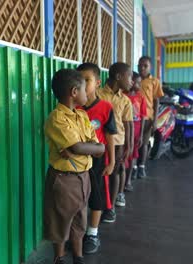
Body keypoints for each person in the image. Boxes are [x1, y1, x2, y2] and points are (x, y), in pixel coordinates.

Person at [44, 69, 105, 264]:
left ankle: (78, 258)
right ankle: (59, 258)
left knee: (80, 220)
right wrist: (82, 148)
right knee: (61, 222)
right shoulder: (57, 118)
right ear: (73, 92)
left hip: (83, 176)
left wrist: (79, 149)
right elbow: (81, 145)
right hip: (64, 179)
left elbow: (99, 147)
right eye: (84, 90)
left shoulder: (82, 116)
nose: (87, 94)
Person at [76, 63, 117, 254]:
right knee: (79, 198)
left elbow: (110, 137)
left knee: (96, 197)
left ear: (98, 83)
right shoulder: (73, 107)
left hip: (98, 161)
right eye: (80, 80)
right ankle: (79, 233)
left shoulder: (106, 108)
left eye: (87, 80)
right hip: (76, 161)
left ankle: (93, 233)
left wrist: (112, 161)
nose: (83, 84)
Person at [97, 62, 133, 222]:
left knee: (115, 172)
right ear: (118, 77)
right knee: (100, 173)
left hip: (118, 141)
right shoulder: (97, 94)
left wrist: (129, 144)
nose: (131, 81)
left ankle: (110, 207)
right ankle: (99, 204)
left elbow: (128, 123)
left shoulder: (125, 100)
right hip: (99, 142)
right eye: (129, 76)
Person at [138, 56, 164, 178]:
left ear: (150, 67)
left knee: (143, 143)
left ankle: (141, 167)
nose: (142, 68)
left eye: (145, 66)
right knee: (134, 143)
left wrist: (154, 120)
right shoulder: (134, 79)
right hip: (134, 117)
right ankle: (132, 167)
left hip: (147, 117)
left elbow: (156, 101)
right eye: (140, 65)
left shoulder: (154, 82)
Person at [124, 72, 147, 191]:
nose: (139, 85)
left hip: (137, 130)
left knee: (133, 155)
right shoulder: (123, 96)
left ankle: (128, 181)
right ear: (131, 82)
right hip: (125, 130)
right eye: (137, 82)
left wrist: (141, 134)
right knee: (124, 154)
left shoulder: (141, 97)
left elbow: (143, 116)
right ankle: (122, 181)